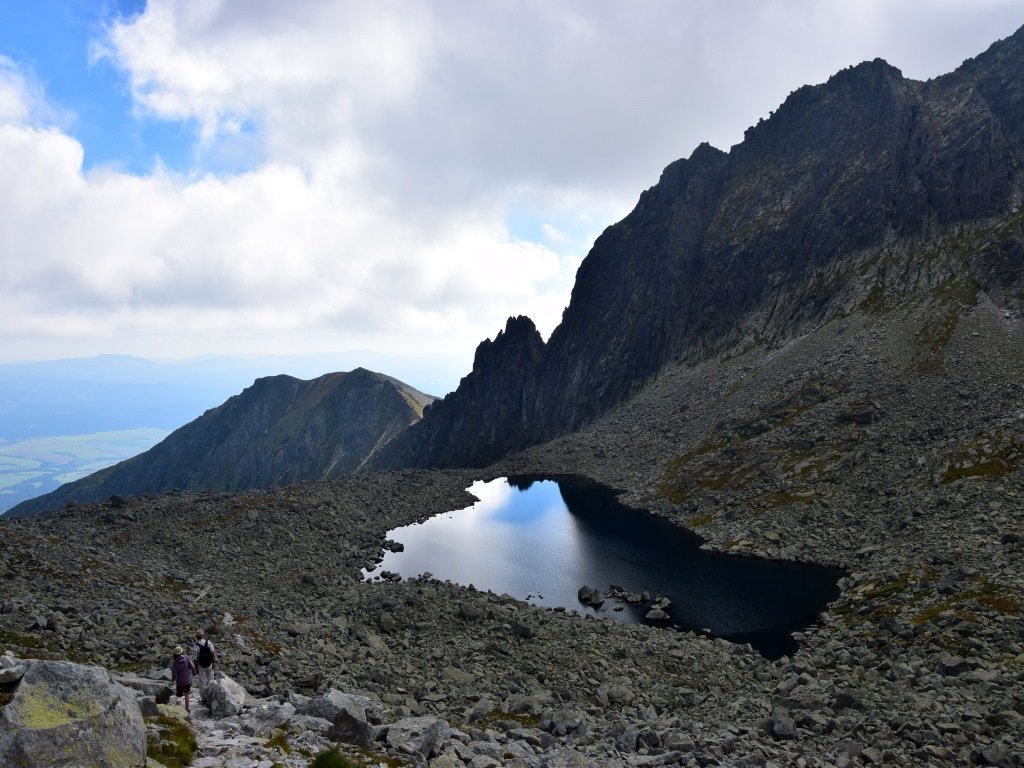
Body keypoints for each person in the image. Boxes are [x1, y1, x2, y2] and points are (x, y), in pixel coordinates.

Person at [169, 645, 197, 712]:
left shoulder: (175, 662)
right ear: (182, 652)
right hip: (188, 681)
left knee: (179, 696)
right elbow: (193, 666)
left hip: (180, 683)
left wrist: (172, 680)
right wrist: (194, 673)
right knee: (187, 695)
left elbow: (174, 674)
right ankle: (187, 708)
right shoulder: (187, 658)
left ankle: (178, 711)